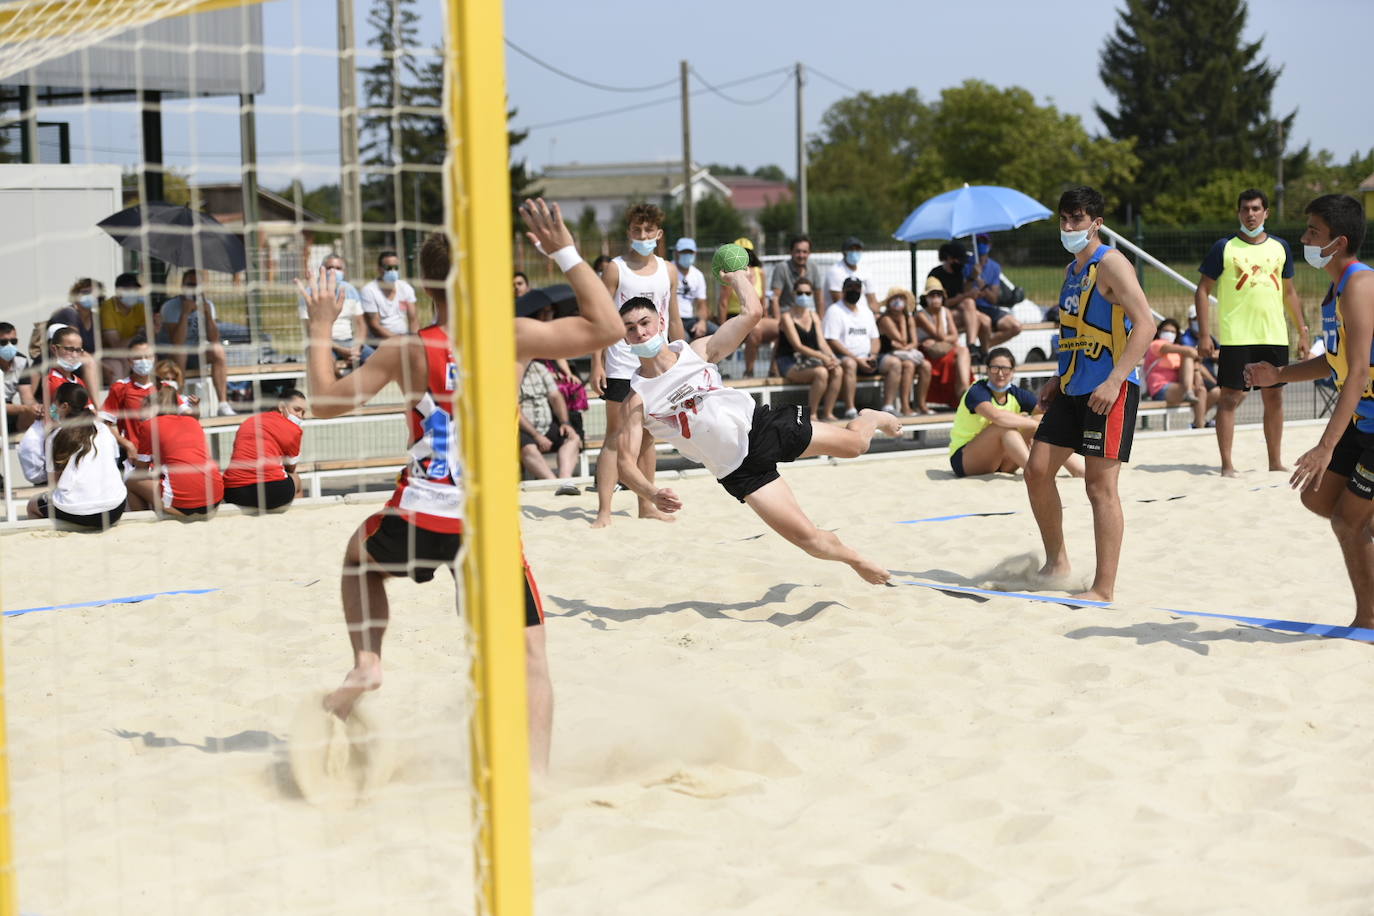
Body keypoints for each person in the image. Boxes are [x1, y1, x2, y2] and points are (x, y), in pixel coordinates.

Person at [297, 197, 623, 774]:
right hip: (487, 521)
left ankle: (368, 662)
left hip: (423, 509)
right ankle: (537, 779)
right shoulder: (511, 335)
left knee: (359, 558)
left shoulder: (406, 349)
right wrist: (564, 251)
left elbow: (322, 403)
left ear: (424, 287)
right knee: (530, 661)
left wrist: (322, 327)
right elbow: (608, 327)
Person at [616, 273, 901, 585]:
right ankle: (857, 560)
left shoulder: (695, 351)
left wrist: (737, 278)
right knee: (808, 540)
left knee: (856, 447)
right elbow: (624, 464)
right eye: (631, 328)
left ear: (659, 321)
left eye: (644, 323)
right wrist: (652, 493)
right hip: (739, 471)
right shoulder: (637, 398)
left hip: (763, 427)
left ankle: (871, 416)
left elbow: (752, 313)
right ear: (625, 338)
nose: (640, 333)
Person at [1245, 193, 1373, 628]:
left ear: (1337, 242)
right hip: (1364, 421)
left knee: (1348, 520)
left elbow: (1356, 375)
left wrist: (1324, 445)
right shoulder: (1337, 289)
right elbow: (1333, 361)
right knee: (1318, 498)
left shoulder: (1359, 284)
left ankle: (1369, 620)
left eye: (1312, 231)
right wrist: (1277, 373)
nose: (1303, 238)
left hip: (1369, 422)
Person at [1024, 186, 1156, 603]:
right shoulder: (1071, 271)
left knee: (1100, 489)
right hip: (1072, 387)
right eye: (1063, 219)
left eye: (1076, 219)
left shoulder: (1112, 264)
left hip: (1108, 390)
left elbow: (1146, 325)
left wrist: (1116, 379)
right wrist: (1054, 378)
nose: (1068, 226)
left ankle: (1103, 588)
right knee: (1036, 470)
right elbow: (1073, 334)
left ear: (1096, 223)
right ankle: (1058, 562)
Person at [1195, 188, 1309, 477]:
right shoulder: (1225, 246)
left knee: (1274, 398)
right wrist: (1204, 335)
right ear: (1239, 213)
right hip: (1237, 337)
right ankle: (1227, 465)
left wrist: (1303, 331)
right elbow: (1202, 290)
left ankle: (1275, 462)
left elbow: (1290, 293)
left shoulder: (1281, 247)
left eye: (1256, 209)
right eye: (1245, 209)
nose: (1250, 214)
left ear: (1266, 213)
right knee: (1229, 398)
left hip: (1273, 335)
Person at [590, 202, 684, 528]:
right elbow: (600, 316)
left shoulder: (668, 270)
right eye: (635, 230)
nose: (641, 235)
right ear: (628, 232)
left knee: (647, 437)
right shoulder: (616, 268)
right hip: (620, 361)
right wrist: (596, 364)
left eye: (647, 231)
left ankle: (647, 505)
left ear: (658, 234)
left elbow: (673, 317)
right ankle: (604, 510)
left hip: (657, 364)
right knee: (615, 437)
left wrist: (683, 356)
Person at [950, 348, 1084, 479]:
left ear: (1013, 372)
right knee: (1004, 427)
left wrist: (1037, 422)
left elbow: (1045, 413)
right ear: (987, 370)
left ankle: (1078, 469)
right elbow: (996, 416)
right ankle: (1034, 474)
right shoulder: (977, 390)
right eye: (995, 368)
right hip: (965, 460)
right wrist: (1032, 423)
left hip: (1002, 463)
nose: (1000, 374)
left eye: (1005, 369)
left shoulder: (1016, 393)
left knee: (1040, 420)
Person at [27, 382, 127, 529]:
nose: (53, 407)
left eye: (55, 402)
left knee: (32, 505)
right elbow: (113, 463)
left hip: (78, 511)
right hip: (115, 507)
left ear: (65, 406)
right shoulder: (104, 429)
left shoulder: (56, 436)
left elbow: (54, 481)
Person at [125, 379, 224, 518]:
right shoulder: (192, 421)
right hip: (215, 496)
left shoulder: (149, 425)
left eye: (143, 407)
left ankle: (143, 522)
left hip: (185, 503)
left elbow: (141, 471)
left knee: (131, 480)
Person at [159, 269, 235, 416]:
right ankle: (179, 402)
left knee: (218, 350)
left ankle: (223, 404)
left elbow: (214, 339)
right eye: (190, 284)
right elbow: (177, 342)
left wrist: (208, 315)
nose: (194, 288)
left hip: (195, 354)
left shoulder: (208, 305)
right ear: (182, 286)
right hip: (171, 356)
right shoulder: (170, 306)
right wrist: (185, 313)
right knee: (181, 352)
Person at [823, 276, 903, 416]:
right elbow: (832, 341)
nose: (854, 291)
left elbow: (875, 338)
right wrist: (857, 359)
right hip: (845, 358)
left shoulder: (866, 311)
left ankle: (888, 407)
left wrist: (873, 356)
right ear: (843, 290)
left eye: (857, 288)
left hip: (867, 358)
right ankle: (850, 409)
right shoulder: (834, 310)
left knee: (894, 363)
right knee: (850, 364)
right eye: (850, 288)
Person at [222, 388, 307, 512]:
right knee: (296, 480)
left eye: (303, 413)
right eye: (297, 409)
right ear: (281, 406)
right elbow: (291, 468)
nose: (300, 416)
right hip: (270, 491)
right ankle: (297, 519)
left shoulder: (250, 421)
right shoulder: (294, 429)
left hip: (233, 492)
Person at [776, 277, 843, 421]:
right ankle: (812, 414)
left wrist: (832, 358)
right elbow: (797, 346)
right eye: (800, 293)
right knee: (821, 373)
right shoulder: (787, 317)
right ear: (793, 294)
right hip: (789, 361)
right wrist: (823, 357)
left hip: (810, 360)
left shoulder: (814, 315)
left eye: (807, 293)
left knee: (838, 370)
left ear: (812, 294)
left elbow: (822, 343)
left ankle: (828, 412)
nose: (803, 296)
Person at [518, 359, 582, 493]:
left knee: (573, 437)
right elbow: (514, 410)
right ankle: (553, 482)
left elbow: (555, 397)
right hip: (524, 428)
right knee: (527, 448)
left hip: (547, 424)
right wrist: (536, 436)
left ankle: (565, 480)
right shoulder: (509, 372)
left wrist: (565, 423)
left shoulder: (538, 367)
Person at [299, 253, 369, 373]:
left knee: (377, 360)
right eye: (329, 267)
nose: (333, 272)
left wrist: (358, 347)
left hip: (349, 341)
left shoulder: (350, 290)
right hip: (322, 343)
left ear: (344, 271)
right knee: (328, 366)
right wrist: (341, 350)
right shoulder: (310, 293)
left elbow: (361, 324)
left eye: (338, 268)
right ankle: (341, 390)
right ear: (322, 269)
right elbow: (310, 331)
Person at [1143, 318, 1217, 429]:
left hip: (1178, 385)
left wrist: (1214, 382)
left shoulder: (1177, 351)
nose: (1169, 334)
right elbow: (1187, 351)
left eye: (1173, 332)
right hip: (1160, 388)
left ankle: (1198, 423)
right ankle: (1200, 424)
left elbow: (1196, 362)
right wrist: (1200, 353)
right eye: (1166, 331)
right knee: (1188, 356)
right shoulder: (1156, 344)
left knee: (1203, 390)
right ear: (1159, 332)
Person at [714, 237, 772, 376]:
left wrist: (766, 317)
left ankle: (758, 370)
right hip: (735, 315)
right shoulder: (730, 273)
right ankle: (747, 371)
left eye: (747, 252)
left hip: (755, 316)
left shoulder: (760, 272)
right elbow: (723, 303)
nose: (744, 255)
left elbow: (762, 300)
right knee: (754, 331)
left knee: (780, 328)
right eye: (740, 252)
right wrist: (723, 328)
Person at [915, 276, 973, 408]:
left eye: (939, 295)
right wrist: (937, 314)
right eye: (932, 295)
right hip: (930, 354)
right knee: (958, 356)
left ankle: (964, 388)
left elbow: (955, 336)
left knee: (963, 351)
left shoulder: (946, 311)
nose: (936, 298)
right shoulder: (921, 315)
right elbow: (941, 335)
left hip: (944, 350)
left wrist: (943, 337)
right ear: (926, 297)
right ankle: (962, 393)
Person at [928, 242, 991, 355]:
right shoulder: (936, 275)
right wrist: (966, 296)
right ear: (949, 258)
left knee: (986, 321)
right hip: (941, 315)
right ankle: (971, 347)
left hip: (960, 311)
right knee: (970, 304)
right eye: (959, 260)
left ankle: (983, 354)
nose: (961, 263)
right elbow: (942, 303)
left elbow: (963, 295)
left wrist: (973, 277)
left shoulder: (959, 273)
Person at [877, 288, 932, 415]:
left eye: (901, 298)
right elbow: (901, 338)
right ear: (888, 302)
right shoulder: (885, 319)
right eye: (895, 298)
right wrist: (902, 322)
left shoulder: (909, 318)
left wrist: (905, 347)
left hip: (904, 353)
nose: (898, 301)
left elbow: (913, 342)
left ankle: (921, 404)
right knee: (908, 365)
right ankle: (905, 406)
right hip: (887, 355)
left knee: (926, 366)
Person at [969, 234, 1022, 347]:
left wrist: (983, 288)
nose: (981, 245)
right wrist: (972, 277)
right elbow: (964, 294)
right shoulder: (966, 264)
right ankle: (982, 351)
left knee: (1016, 326)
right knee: (985, 322)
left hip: (988, 308)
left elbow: (994, 299)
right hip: (972, 308)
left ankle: (983, 348)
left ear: (990, 245)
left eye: (984, 242)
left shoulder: (994, 267)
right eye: (978, 242)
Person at [99, 273, 151, 382]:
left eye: (136, 290)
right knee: (124, 358)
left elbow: (145, 338)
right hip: (107, 353)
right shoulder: (107, 308)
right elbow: (115, 345)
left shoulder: (140, 306)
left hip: (132, 350)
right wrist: (139, 335)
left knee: (150, 355)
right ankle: (123, 394)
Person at [360, 250, 418, 342]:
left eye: (396, 267)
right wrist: (400, 341)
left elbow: (413, 319)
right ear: (379, 269)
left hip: (404, 338)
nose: (392, 271)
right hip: (380, 342)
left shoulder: (406, 288)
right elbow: (375, 326)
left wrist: (414, 340)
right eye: (388, 267)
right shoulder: (369, 291)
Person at [0, 321, 41, 433]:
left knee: (31, 412)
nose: (10, 346)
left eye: (13, 341)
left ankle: (22, 440)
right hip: (4, 407)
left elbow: (27, 396)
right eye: (3, 342)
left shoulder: (21, 361)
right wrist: (24, 408)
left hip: (9, 407)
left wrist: (36, 408)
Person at [768, 233, 822, 317]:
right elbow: (774, 299)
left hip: (806, 316)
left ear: (809, 253)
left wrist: (820, 321)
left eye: (804, 252)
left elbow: (819, 299)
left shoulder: (813, 268)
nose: (801, 255)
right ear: (791, 252)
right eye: (798, 251)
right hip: (785, 316)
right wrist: (778, 325)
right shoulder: (782, 268)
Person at [822, 236, 877, 316]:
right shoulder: (835, 271)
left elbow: (872, 300)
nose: (854, 252)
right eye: (851, 249)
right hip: (843, 315)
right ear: (844, 252)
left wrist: (877, 315)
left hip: (863, 315)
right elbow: (838, 301)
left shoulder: (866, 271)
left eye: (857, 249)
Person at [673, 237, 714, 338]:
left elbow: (702, 304)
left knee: (719, 335)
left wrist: (702, 322)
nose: (687, 255)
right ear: (676, 253)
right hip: (672, 319)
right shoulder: (668, 270)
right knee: (684, 339)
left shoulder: (698, 275)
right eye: (683, 252)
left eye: (690, 252)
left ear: (695, 253)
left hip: (690, 319)